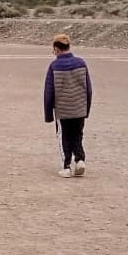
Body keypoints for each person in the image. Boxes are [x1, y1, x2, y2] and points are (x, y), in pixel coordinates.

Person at [44, 33, 92, 178]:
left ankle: (66, 166)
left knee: (64, 136)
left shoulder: (54, 66)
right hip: (79, 108)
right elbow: (88, 89)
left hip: (62, 110)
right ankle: (79, 159)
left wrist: (48, 115)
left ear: (57, 49)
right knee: (77, 134)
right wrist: (86, 109)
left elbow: (49, 92)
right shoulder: (81, 63)